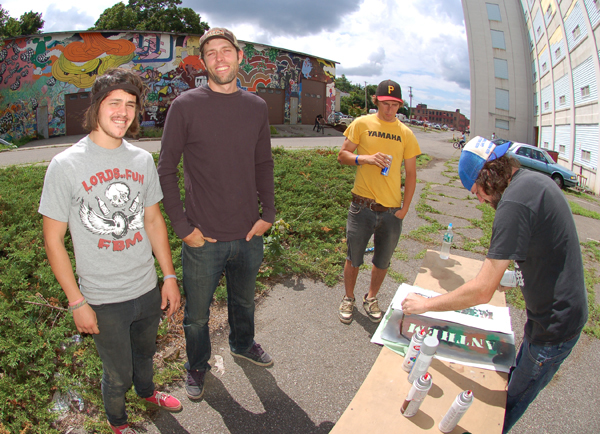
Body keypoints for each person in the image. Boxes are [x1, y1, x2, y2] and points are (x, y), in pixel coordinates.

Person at [401, 136, 588, 433]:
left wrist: (423, 305)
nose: (481, 201)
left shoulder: (513, 203)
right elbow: (544, 249)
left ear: (486, 176)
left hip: (554, 327)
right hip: (549, 315)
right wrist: (510, 277)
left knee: (501, 410)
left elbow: (481, 290)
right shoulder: (530, 182)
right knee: (511, 377)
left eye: (476, 192)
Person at [39, 69, 182, 434]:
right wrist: (76, 302)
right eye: (114, 102)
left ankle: (148, 392)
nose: (123, 111)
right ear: (96, 107)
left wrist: (168, 277)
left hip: (147, 289)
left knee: (146, 355)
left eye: (130, 104)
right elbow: (53, 240)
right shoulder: (66, 165)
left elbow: (152, 221)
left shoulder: (141, 160)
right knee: (117, 373)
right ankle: (117, 421)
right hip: (103, 300)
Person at [157, 27, 276, 402]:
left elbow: (263, 163)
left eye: (227, 51)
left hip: (248, 235)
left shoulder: (256, 107)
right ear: (203, 61)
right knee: (196, 315)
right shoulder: (185, 106)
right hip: (202, 238)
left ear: (240, 57)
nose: (220, 58)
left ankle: (243, 344)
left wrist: (268, 214)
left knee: (243, 302)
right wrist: (182, 227)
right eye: (211, 53)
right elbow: (165, 169)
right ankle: (197, 364)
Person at [337, 79, 421, 324]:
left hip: (392, 211)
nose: (389, 109)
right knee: (353, 257)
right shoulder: (361, 123)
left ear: (400, 105)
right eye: (385, 103)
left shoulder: (406, 133)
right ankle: (349, 298)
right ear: (376, 101)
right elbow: (342, 155)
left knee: (382, 261)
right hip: (361, 206)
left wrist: (405, 209)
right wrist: (366, 158)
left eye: (395, 105)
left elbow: (412, 174)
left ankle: (371, 297)